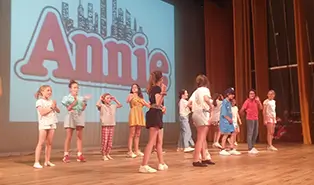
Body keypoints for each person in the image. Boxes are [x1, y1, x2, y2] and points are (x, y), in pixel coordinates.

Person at [139, 71, 168, 173]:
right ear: (160, 79)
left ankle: (161, 163)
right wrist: (163, 92)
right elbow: (157, 101)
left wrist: (162, 108)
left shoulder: (153, 88)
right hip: (154, 115)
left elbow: (157, 104)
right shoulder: (157, 88)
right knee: (152, 141)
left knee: (159, 141)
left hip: (157, 114)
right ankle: (144, 165)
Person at [62, 80, 91, 163]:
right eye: (74, 87)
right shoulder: (66, 98)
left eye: (77, 88)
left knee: (79, 136)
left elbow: (82, 108)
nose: (76, 89)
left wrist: (85, 102)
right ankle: (66, 155)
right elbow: (68, 108)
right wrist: (74, 101)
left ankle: (79, 155)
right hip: (70, 115)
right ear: (70, 89)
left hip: (79, 115)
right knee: (69, 136)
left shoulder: (81, 98)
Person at [190, 74, 215, 167]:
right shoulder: (205, 90)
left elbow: (190, 103)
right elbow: (205, 98)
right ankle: (196, 159)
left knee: (202, 137)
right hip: (203, 112)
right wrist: (211, 105)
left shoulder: (196, 91)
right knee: (201, 138)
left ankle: (204, 157)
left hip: (196, 113)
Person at [33, 85, 60, 168]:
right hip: (44, 123)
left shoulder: (51, 101)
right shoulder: (39, 101)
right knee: (41, 143)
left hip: (52, 123)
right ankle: (36, 162)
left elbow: (58, 111)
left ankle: (47, 161)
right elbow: (42, 112)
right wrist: (51, 107)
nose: (50, 92)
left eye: (51, 90)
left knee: (49, 143)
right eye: (48, 90)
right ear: (42, 92)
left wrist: (55, 106)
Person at [126, 84, 150, 158]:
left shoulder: (140, 97)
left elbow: (147, 105)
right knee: (132, 133)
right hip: (133, 113)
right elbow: (127, 101)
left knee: (138, 133)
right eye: (132, 87)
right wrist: (132, 95)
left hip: (140, 114)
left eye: (135, 87)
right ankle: (130, 151)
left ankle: (136, 150)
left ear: (138, 89)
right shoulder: (131, 95)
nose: (133, 88)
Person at [96, 93, 122, 160]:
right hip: (105, 125)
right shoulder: (102, 106)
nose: (109, 99)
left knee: (110, 141)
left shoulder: (113, 106)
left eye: (110, 98)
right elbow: (97, 104)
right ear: (104, 100)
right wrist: (100, 99)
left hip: (112, 124)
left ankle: (108, 153)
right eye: (107, 98)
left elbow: (120, 105)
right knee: (105, 140)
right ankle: (103, 154)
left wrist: (115, 99)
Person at [219, 88, 241, 156]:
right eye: (231, 94)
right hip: (226, 121)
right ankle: (222, 149)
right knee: (226, 134)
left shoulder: (229, 102)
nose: (233, 96)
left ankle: (232, 148)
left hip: (230, 121)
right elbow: (224, 113)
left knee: (233, 132)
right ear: (228, 94)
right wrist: (229, 119)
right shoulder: (224, 102)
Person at [240, 89, 263, 154]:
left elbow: (261, 108)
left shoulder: (256, 101)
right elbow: (242, 110)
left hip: (256, 118)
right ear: (248, 95)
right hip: (250, 118)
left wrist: (259, 102)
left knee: (255, 133)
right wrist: (244, 114)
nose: (252, 95)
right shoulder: (247, 101)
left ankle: (252, 146)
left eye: (253, 93)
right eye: (250, 94)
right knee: (250, 133)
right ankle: (250, 148)